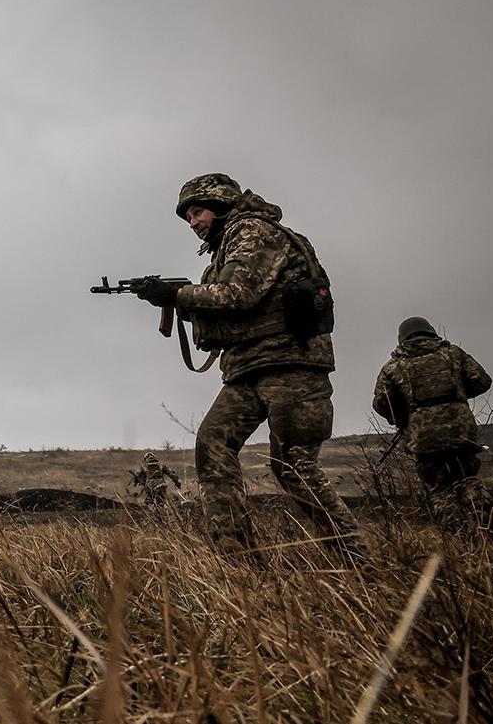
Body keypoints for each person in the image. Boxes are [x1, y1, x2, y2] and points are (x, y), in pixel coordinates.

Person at [134, 173, 363, 559]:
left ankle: (354, 557)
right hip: (249, 367)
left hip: (290, 363)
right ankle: (237, 560)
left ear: (222, 204)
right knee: (212, 444)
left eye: (198, 211)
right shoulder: (224, 248)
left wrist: (176, 293)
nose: (193, 223)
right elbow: (226, 312)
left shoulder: (253, 231)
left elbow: (239, 294)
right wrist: (177, 301)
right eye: (188, 216)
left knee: (293, 466)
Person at [372, 316, 493, 535]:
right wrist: (457, 396)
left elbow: (382, 404)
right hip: (461, 432)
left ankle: (461, 539)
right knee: (468, 479)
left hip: (424, 439)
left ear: (402, 338)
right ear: (430, 332)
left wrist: (403, 418)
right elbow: (482, 381)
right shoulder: (453, 354)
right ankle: (490, 532)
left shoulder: (393, 367)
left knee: (440, 490)